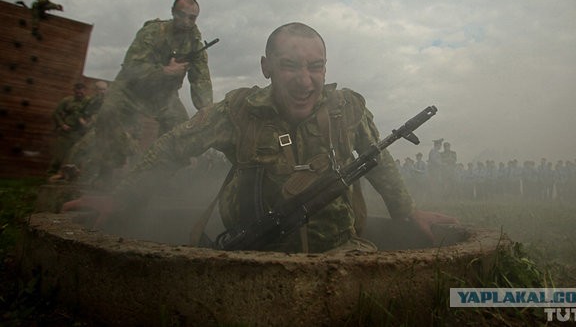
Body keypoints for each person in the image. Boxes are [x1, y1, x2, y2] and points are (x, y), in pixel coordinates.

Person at [63, 22, 457, 253]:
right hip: (249, 253)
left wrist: (407, 212)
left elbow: (379, 158)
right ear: (266, 67)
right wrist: (121, 199)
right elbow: (171, 148)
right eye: (289, 66)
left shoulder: (347, 108)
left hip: (340, 253)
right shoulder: (237, 112)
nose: (305, 82)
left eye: (315, 67)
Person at [92, 0, 214, 182]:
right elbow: (132, 67)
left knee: (181, 131)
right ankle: (107, 172)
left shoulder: (195, 43)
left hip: (163, 95)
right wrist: (165, 71)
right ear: (173, 12)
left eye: (192, 17)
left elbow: (201, 79)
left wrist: (206, 110)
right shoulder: (152, 32)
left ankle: (159, 180)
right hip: (131, 90)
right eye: (182, 15)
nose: (187, 20)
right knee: (107, 112)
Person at [48, 82, 89, 179]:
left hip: (80, 133)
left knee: (77, 156)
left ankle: (71, 177)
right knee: (60, 155)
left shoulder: (88, 102)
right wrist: (62, 124)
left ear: (85, 91)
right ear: (74, 91)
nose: (79, 93)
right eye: (77, 91)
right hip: (67, 132)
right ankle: (51, 175)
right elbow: (56, 113)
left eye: (81, 91)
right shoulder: (67, 101)